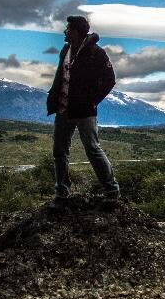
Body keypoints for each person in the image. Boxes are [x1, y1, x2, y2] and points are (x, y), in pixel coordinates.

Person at [47, 15, 120, 201]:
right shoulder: (65, 50)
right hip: (63, 109)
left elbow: (110, 80)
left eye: (68, 29)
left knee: (92, 149)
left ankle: (111, 191)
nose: (65, 31)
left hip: (85, 111)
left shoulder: (96, 53)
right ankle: (62, 192)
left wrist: (93, 100)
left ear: (77, 31)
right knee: (59, 151)